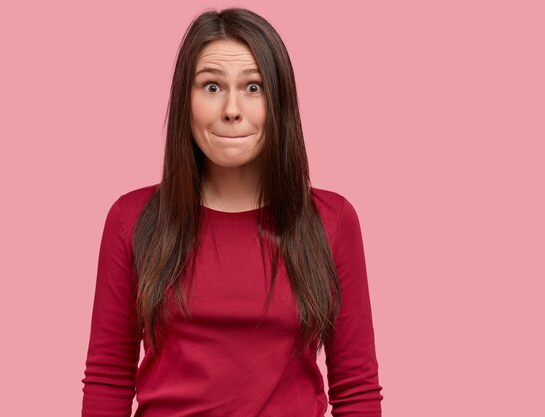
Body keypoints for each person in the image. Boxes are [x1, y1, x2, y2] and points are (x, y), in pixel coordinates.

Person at [81, 7, 383, 417]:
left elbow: (356, 390)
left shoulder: (332, 221)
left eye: (254, 87)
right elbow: (108, 379)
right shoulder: (131, 219)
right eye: (211, 87)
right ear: (184, 99)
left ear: (280, 103)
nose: (231, 109)